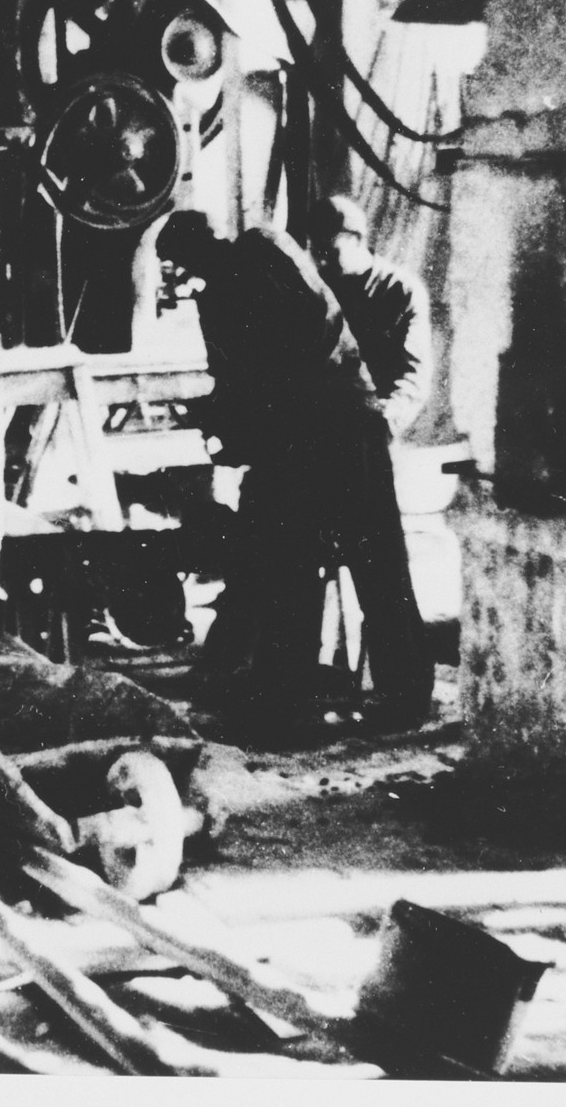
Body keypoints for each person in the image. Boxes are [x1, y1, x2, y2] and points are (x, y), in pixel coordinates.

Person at [154, 210, 434, 740]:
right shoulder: (220, 293)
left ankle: (404, 696)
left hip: (342, 427)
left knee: (376, 563)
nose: (187, 274)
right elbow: (235, 377)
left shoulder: (264, 250)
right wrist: (222, 417)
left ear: (209, 242)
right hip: (301, 436)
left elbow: (307, 335)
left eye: (186, 260)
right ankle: (283, 695)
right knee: (289, 566)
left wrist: (249, 408)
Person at [311, 195, 432, 438]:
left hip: (375, 429)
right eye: (317, 249)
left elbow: (414, 374)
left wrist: (386, 421)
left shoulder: (400, 291)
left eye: (330, 250)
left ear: (357, 239)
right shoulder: (316, 289)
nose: (322, 259)